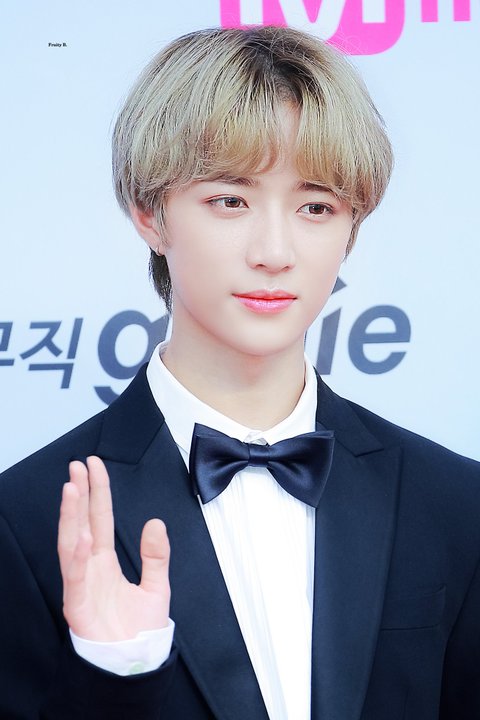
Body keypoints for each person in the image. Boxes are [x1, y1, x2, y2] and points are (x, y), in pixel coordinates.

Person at [0, 25, 479, 720]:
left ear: (351, 227)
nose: (274, 251)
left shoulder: (455, 504)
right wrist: (119, 672)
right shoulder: (26, 518)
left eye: (316, 207)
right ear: (150, 213)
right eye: (230, 200)